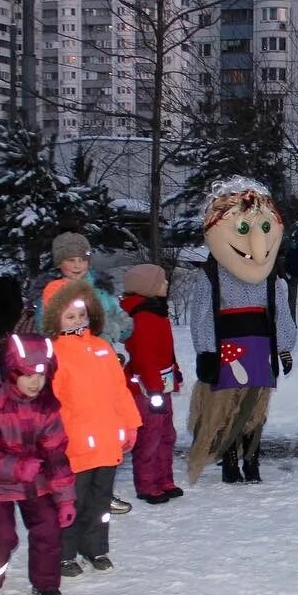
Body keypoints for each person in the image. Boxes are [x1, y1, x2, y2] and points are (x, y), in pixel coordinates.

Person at [186, 177, 297, 484]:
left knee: (255, 405)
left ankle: (252, 456)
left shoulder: (271, 274)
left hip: (260, 343)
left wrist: (284, 346)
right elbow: (202, 314)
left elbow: (279, 310)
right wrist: (206, 350)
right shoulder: (212, 273)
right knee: (228, 406)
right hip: (228, 343)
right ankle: (230, 457)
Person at [0, 333, 78, 595]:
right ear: (11, 373)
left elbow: (56, 456)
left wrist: (65, 499)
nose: (35, 382)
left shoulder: (47, 408)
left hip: (34, 479)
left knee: (48, 527)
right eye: (27, 375)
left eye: (41, 375)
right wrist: (18, 468)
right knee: (2, 535)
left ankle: (46, 583)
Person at [31, 230, 134, 515]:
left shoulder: (100, 289)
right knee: (78, 425)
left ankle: (104, 490)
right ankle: (72, 486)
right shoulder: (54, 292)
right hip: (70, 361)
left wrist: (119, 328)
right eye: (70, 260)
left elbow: (117, 317)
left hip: (102, 357)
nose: (77, 265)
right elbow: (46, 325)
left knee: (105, 420)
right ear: (59, 263)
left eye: (82, 259)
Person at [42, 278, 140, 576]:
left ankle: (96, 548)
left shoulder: (101, 348)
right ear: (54, 317)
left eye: (81, 314)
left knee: (99, 502)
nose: (77, 321)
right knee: (71, 502)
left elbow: (119, 390)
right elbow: (50, 401)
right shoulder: (53, 353)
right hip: (74, 444)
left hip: (107, 440)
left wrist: (130, 424)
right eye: (69, 316)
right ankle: (65, 553)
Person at [120, 263, 184, 504]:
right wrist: (154, 388)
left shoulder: (156, 312)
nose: (166, 285)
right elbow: (145, 356)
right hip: (148, 389)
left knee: (167, 434)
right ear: (147, 286)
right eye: (162, 281)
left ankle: (164, 479)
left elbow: (165, 349)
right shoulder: (143, 316)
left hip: (162, 384)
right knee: (151, 436)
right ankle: (147, 484)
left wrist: (174, 371)